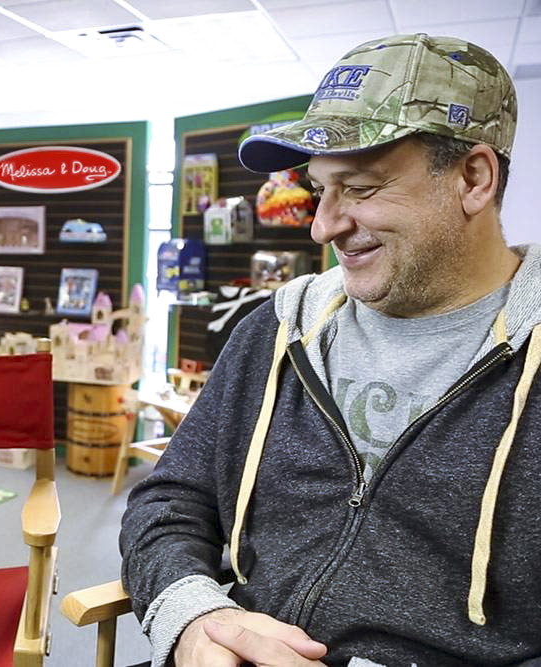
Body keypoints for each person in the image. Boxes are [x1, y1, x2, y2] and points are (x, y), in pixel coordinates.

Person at [120, 33, 541, 666]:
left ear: (474, 179)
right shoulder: (276, 330)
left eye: (362, 189)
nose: (324, 224)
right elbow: (170, 500)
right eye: (320, 189)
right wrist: (196, 617)